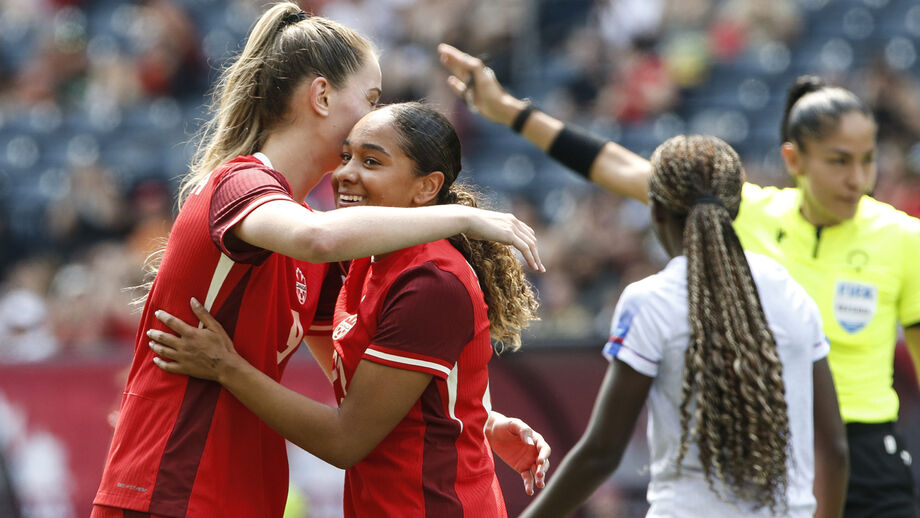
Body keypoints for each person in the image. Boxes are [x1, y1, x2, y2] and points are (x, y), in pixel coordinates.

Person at [89, 8, 546, 518]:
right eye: (370, 98)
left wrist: (475, 418)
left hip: (243, 492)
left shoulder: (312, 233)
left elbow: (361, 380)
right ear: (323, 96)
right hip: (172, 484)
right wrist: (462, 218)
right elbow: (317, 238)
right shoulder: (240, 186)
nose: (375, 114)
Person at [440, 43, 920, 517]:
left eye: (869, 159)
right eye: (839, 160)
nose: (859, 177)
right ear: (794, 160)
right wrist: (508, 110)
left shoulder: (903, 236)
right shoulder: (741, 210)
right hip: (774, 442)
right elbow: (613, 164)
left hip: (868, 454)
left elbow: (600, 451)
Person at [516, 134, 847, 517]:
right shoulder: (790, 290)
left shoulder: (649, 301)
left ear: (655, 209)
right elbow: (835, 449)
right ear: (736, 209)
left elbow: (601, 454)